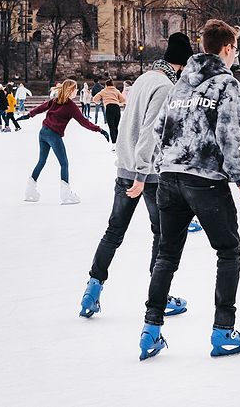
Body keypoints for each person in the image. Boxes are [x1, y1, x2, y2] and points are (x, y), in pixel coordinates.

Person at [138, 19, 240, 361]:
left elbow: (160, 128)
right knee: (228, 251)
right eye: (235, 48)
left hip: (170, 178)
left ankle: (150, 330)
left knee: (166, 254)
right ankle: (223, 331)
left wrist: (167, 165)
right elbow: (228, 136)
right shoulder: (226, 84)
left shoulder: (179, 85)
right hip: (205, 179)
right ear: (227, 49)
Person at [79, 33, 194, 320]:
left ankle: (92, 291)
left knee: (114, 231)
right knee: (162, 234)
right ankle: (160, 295)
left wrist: (127, 164)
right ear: (180, 66)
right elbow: (149, 132)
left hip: (126, 167)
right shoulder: (166, 86)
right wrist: (142, 173)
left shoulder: (143, 79)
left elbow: (128, 125)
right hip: (149, 174)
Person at [21, 79, 109, 204]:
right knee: (64, 164)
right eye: (76, 89)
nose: (77, 91)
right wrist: (99, 130)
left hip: (43, 133)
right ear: (72, 90)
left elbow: (41, 107)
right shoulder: (70, 106)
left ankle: (30, 190)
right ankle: (65, 193)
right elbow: (84, 122)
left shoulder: (55, 100)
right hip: (53, 135)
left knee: (41, 161)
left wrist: (28, 115)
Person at [92, 79, 127, 147]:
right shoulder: (116, 91)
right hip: (117, 108)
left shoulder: (103, 91)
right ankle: (118, 143)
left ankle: (114, 143)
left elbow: (95, 98)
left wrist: (100, 102)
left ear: (106, 85)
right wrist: (118, 100)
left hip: (109, 108)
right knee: (116, 127)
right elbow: (123, 100)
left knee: (111, 127)